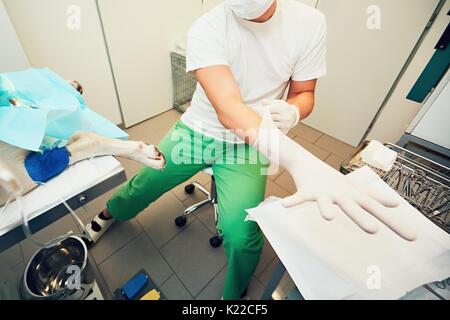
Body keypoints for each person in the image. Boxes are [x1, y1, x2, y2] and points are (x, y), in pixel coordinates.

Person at [86, 0, 415, 300]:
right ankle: (110, 213)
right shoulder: (209, 27)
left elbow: (305, 91)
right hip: (198, 131)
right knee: (144, 184)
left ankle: (235, 293)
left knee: (241, 234)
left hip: (252, 144)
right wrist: (297, 159)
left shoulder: (309, 23)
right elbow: (227, 108)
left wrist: (296, 110)